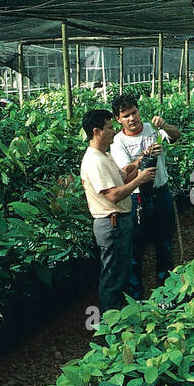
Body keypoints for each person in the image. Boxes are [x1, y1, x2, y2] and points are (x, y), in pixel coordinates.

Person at [79, 108, 155, 317]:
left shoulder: (105, 156)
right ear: (97, 131)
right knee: (112, 277)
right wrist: (140, 180)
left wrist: (139, 162)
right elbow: (112, 195)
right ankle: (110, 325)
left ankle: (120, 318)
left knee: (120, 272)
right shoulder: (94, 161)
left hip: (119, 222)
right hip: (111, 224)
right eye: (110, 128)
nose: (114, 131)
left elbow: (122, 179)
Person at [108, 93, 181, 297]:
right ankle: (136, 297)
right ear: (118, 119)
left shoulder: (152, 129)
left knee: (165, 245)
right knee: (135, 250)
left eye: (134, 112)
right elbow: (125, 174)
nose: (132, 118)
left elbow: (176, 135)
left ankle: (166, 294)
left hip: (162, 194)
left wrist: (164, 126)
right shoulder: (118, 142)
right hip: (137, 199)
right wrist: (144, 156)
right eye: (126, 116)